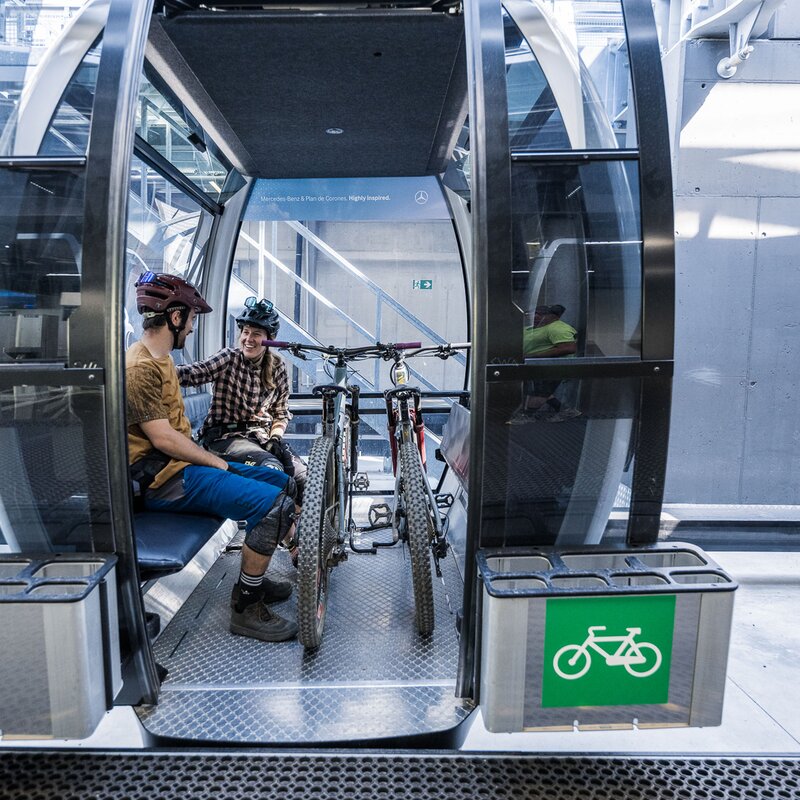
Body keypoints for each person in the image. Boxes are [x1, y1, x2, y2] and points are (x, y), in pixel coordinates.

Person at [126, 271, 298, 643]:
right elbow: (164, 439)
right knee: (274, 507)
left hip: (179, 468)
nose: (191, 328)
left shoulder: (162, 360)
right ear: (174, 317)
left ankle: (255, 575)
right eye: (190, 319)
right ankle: (246, 606)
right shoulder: (140, 367)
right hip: (163, 481)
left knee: (281, 481)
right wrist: (216, 462)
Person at [175, 296, 307, 508]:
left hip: (261, 439)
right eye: (245, 332)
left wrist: (275, 438)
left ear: (269, 339)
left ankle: (297, 532)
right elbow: (195, 373)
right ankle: (282, 532)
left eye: (256, 334)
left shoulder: (278, 368)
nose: (248, 339)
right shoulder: (229, 358)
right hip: (225, 438)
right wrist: (159, 369)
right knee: (271, 469)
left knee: (303, 477)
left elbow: (281, 412)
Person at [509, 304, 579, 423]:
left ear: (553, 317)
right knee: (541, 391)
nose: (535, 316)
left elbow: (568, 348)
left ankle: (526, 416)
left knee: (538, 394)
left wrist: (533, 356)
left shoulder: (557, 328)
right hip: (531, 366)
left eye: (540, 314)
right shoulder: (532, 328)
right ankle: (566, 411)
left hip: (550, 367)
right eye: (534, 313)